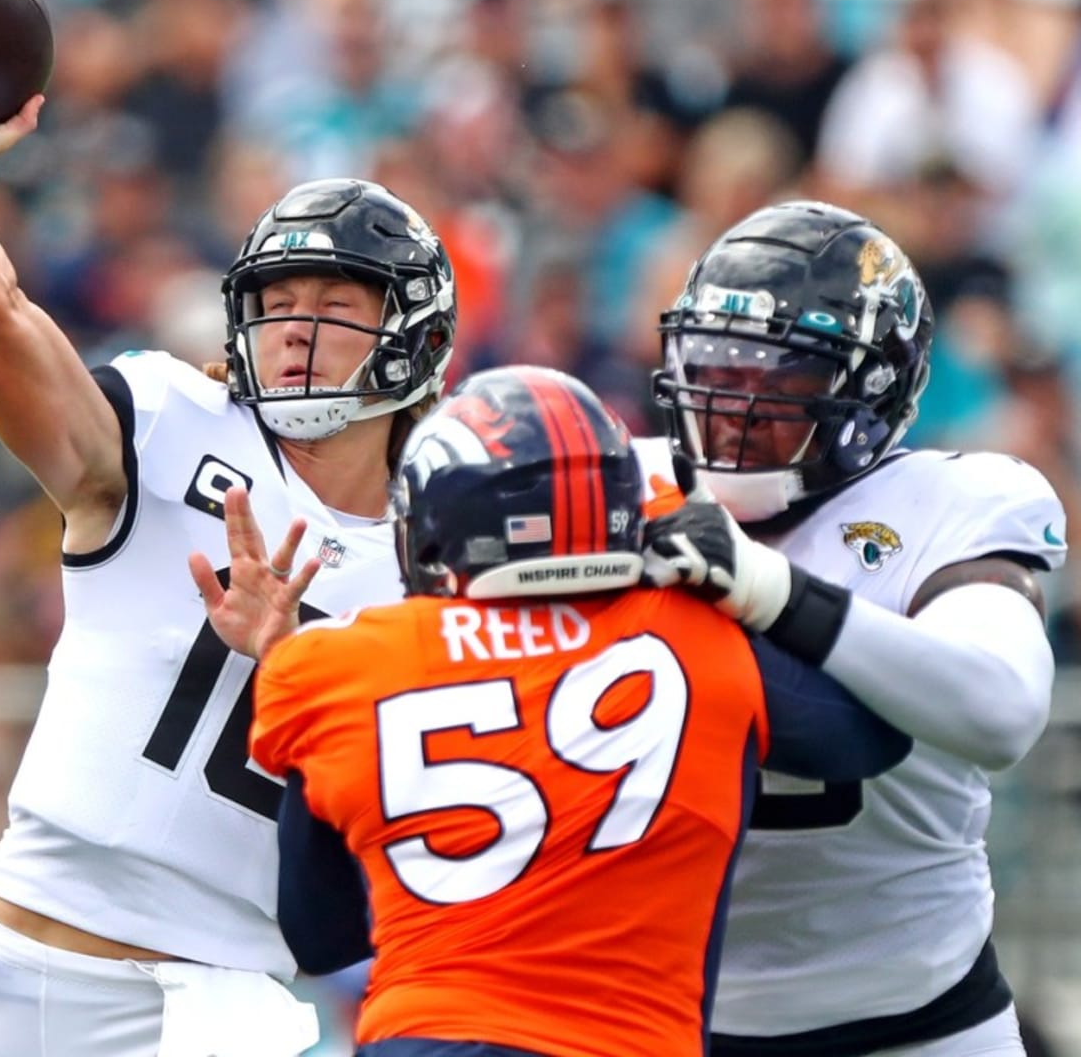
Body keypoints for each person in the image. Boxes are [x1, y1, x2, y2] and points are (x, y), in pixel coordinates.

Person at [0, 35, 457, 1057]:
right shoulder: (165, 421)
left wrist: (296, 674)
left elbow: (417, 840)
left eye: (333, 305)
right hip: (29, 958)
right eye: (277, 303)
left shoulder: (445, 566)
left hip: (230, 996)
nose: (294, 329)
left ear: (413, 338)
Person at [201, 362, 913, 1057]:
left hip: (427, 1035)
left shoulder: (328, 664)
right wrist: (746, 590)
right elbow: (871, 739)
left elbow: (320, 935)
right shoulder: (694, 636)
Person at [641, 199, 1066, 1056]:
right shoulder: (622, 488)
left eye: (778, 381)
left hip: (917, 1021)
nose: (733, 408)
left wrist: (772, 592)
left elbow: (1003, 709)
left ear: (872, 392)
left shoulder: (950, 503)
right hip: (667, 1018)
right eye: (717, 369)